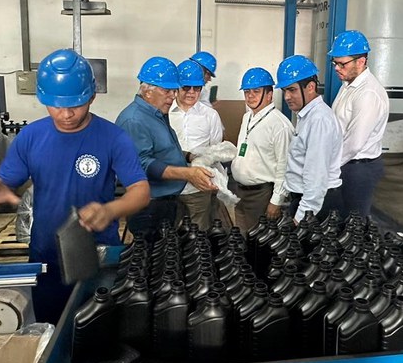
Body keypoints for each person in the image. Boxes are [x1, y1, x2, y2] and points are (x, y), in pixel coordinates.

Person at [0, 49, 150, 324]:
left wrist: (111, 210)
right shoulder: (30, 137)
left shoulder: (113, 138)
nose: (66, 114)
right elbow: (8, 181)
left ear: (92, 96)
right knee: (50, 328)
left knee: (98, 327)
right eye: (56, 106)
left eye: (76, 105)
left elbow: (140, 190)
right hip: (46, 255)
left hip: (97, 255)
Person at [116, 56, 216, 239]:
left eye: (174, 90)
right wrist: (187, 173)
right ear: (147, 91)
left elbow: (163, 150)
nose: (173, 96)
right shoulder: (135, 120)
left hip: (164, 203)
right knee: (151, 253)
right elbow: (143, 163)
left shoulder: (156, 114)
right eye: (167, 91)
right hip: (149, 206)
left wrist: (189, 157)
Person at [327, 30, 389, 219]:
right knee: (336, 218)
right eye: (335, 63)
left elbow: (354, 143)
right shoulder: (348, 85)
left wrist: (327, 167)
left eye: (342, 64)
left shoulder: (368, 93)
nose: (337, 68)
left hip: (358, 168)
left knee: (353, 222)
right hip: (344, 162)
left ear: (361, 61)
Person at [275, 55, 343, 223]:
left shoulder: (319, 120)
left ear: (311, 87)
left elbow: (316, 176)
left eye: (292, 90)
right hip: (304, 199)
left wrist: (301, 219)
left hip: (315, 204)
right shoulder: (307, 116)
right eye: (284, 91)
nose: (287, 97)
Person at [230, 67, 294, 234]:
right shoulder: (247, 117)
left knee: (259, 240)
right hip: (240, 191)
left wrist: (276, 201)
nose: (250, 96)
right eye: (247, 92)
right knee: (242, 238)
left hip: (261, 195)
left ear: (269, 94)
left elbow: (285, 166)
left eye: (256, 91)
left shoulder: (279, 125)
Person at [168, 59, 227, 231]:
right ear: (177, 86)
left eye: (197, 88)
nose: (191, 92)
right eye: (186, 87)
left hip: (198, 189)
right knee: (170, 235)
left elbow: (215, 151)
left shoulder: (210, 115)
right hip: (170, 187)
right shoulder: (165, 114)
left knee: (199, 235)